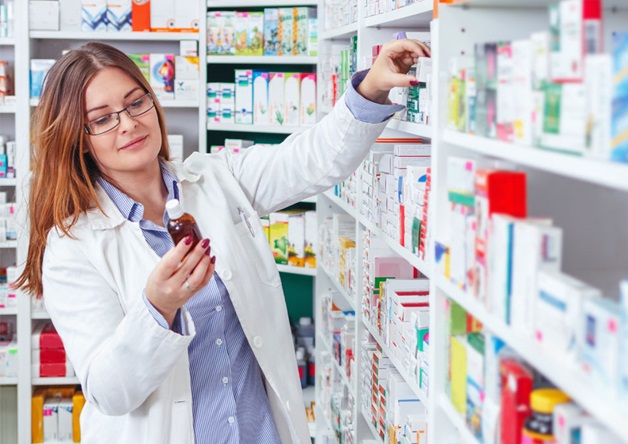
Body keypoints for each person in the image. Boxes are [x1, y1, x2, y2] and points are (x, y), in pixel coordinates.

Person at [16, 39, 430, 444]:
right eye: (103, 118)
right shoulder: (71, 245)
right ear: (78, 138)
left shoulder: (217, 179)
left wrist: (372, 88)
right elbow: (109, 392)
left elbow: (312, 158)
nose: (128, 123)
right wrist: (158, 308)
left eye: (135, 102)